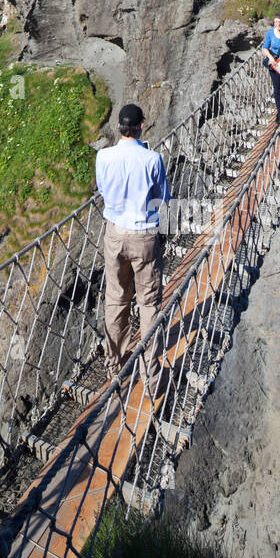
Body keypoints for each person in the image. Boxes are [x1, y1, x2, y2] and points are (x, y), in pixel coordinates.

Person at [95, 103, 171, 391]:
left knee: (116, 299)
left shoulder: (103, 157)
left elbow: (103, 190)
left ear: (118, 127)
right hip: (144, 235)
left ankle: (115, 366)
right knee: (148, 303)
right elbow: (162, 198)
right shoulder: (152, 159)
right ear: (142, 126)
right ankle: (150, 378)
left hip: (114, 233)